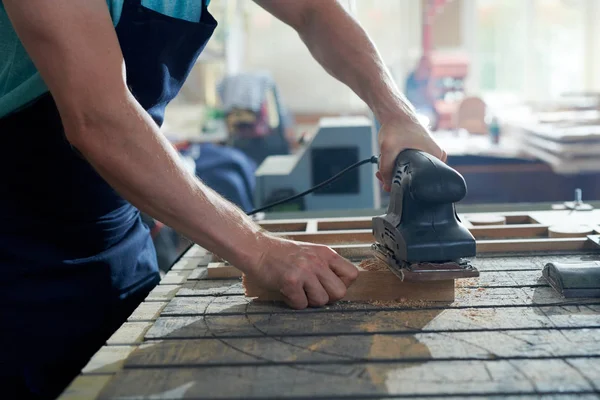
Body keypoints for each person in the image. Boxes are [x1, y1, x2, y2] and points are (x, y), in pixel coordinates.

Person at [0, 1, 447, 398]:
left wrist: (395, 110)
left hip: (116, 232)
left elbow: (314, 11)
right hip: (15, 250)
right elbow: (97, 119)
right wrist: (258, 248)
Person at [405, 54, 439, 129]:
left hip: (427, 113)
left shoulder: (429, 80)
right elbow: (407, 98)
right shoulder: (410, 79)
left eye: (426, 67)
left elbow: (432, 100)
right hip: (413, 111)